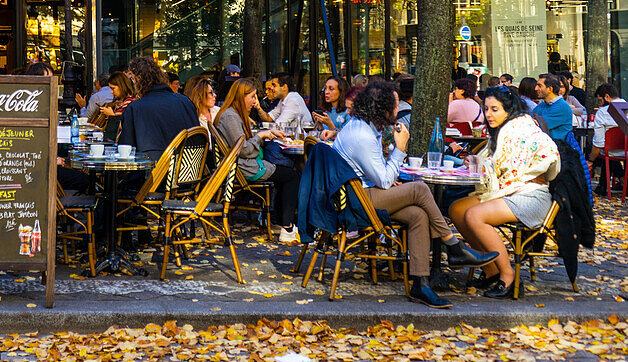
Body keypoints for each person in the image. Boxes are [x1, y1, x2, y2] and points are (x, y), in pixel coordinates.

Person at [332, 81, 497, 308]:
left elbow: (380, 175)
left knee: (417, 214)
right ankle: (454, 247)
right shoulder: (362, 135)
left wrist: (391, 176)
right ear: (383, 108)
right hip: (356, 201)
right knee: (420, 188)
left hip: (363, 193)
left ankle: (421, 283)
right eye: (396, 105)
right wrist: (400, 149)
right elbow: (385, 179)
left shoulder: (364, 127)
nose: (398, 111)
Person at [449, 86, 561, 298]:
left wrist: (480, 165)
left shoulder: (519, 128)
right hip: (509, 191)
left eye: (495, 109)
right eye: (486, 109)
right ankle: (491, 270)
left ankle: (508, 275)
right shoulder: (503, 129)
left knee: (474, 215)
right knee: (457, 209)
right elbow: (496, 163)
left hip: (531, 196)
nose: (489, 114)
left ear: (508, 111)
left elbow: (505, 164)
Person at [213, 78, 301, 244]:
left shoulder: (232, 114)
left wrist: (264, 135)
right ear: (241, 96)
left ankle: (276, 221)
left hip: (243, 165)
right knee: (291, 176)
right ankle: (287, 228)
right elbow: (244, 150)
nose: (255, 102)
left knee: (285, 173)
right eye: (252, 97)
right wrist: (261, 136)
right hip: (243, 168)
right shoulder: (230, 116)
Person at [117, 56, 199, 161]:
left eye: (132, 79)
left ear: (139, 79)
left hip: (154, 173)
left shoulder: (136, 108)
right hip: (189, 172)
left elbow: (125, 150)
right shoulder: (185, 102)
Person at [589, 83, 625, 195]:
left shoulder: (602, 112)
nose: (600, 104)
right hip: (626, 148)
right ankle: (623, 180)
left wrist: (591, 160)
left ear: (607, 97)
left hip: (611, 150)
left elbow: (599, 143)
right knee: (610, 151)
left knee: (604, 151)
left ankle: (603, 185)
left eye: (600, 100)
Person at [90, 71, 137, 141]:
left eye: (113, 88)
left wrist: (111, 115)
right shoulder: (122, 102)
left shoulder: (129, 103)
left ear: (121, 86)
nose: (111, 92)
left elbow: (126, 127)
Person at [533, 74, 573, 140]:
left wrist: (537, 119)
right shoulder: (542, 105)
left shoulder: (562, 107)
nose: (536, 89)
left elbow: (536, 125)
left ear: (550, 89)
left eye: (540, 86)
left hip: (558, 148)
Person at [184, 75, 220, 145]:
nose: (215, 95)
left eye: (213, 92)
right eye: (210, 93)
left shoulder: (218, 111)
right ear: (199, 95)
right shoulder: (191, 118)